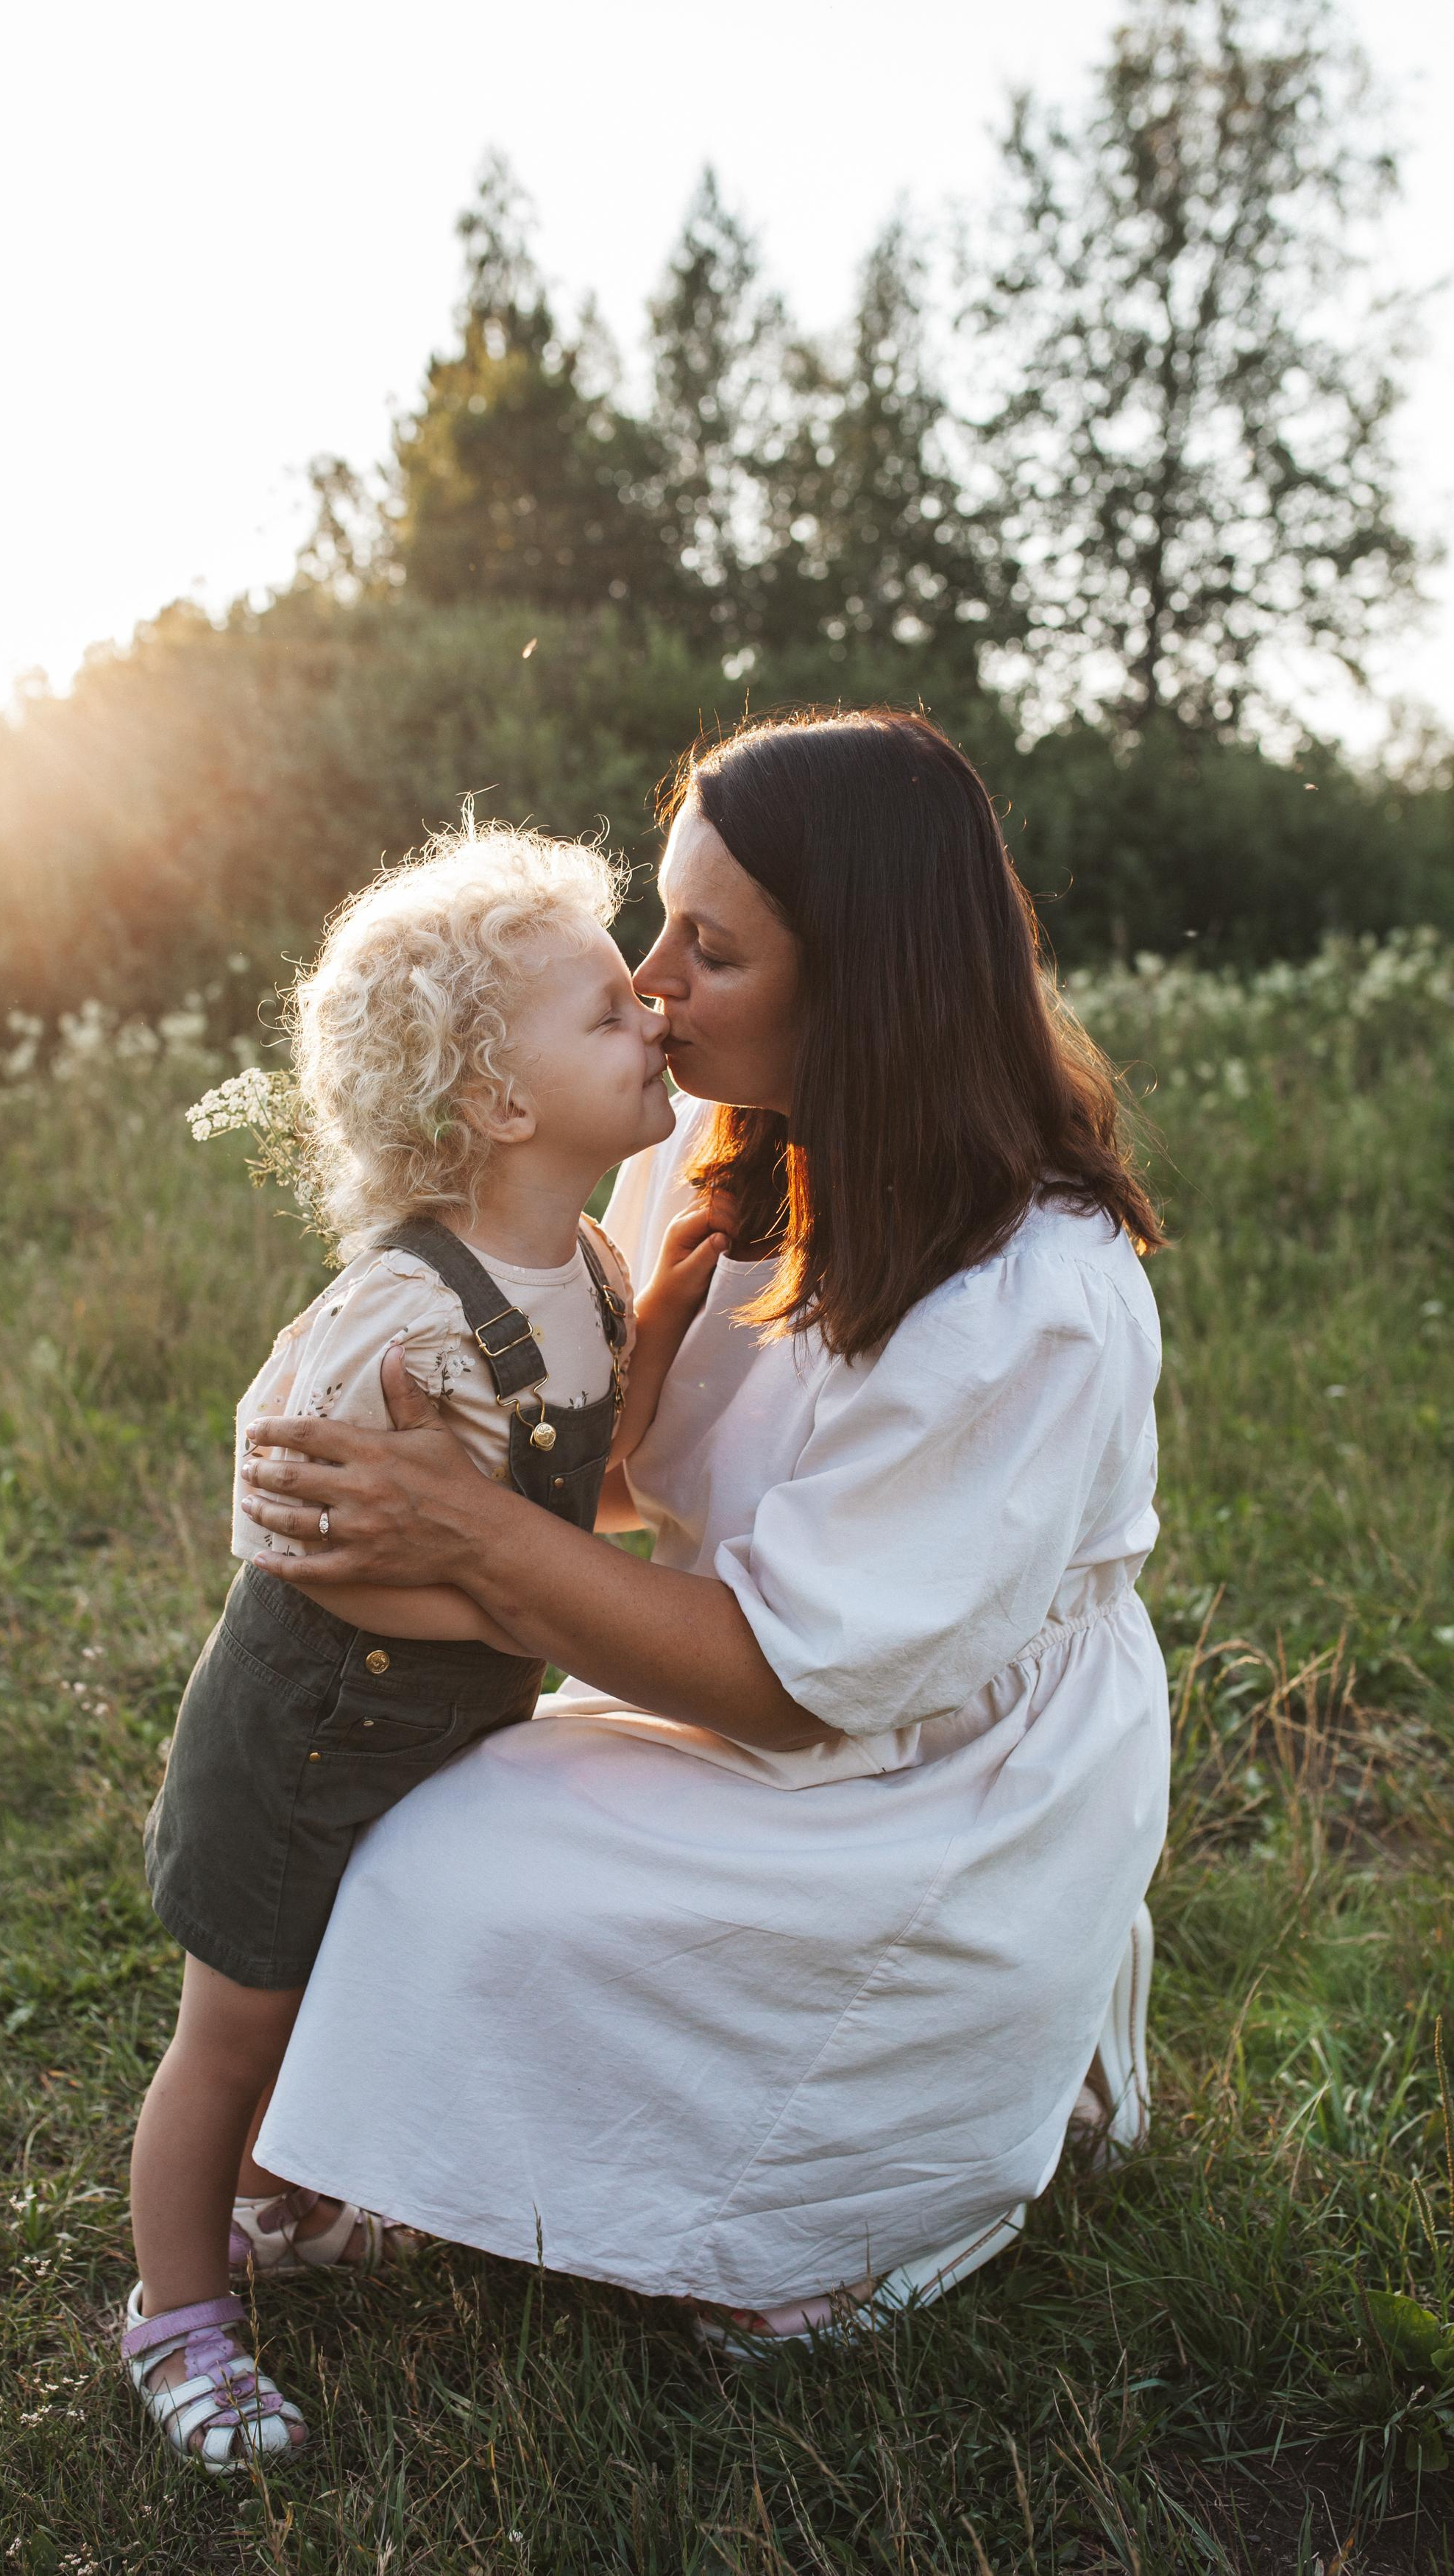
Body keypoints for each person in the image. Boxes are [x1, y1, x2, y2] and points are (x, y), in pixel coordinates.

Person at [238, 709, 1172, 2353]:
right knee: (411, 1867)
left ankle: (930, 2150)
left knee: (511, 1933)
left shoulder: (1041, 1297)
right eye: (661, 918)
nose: (651, 977)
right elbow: (608, 1489)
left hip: (930, 1775)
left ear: (867, 983)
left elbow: (793, 1681)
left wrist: (462, 1534)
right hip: (724, 1682)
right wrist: (422, 1473)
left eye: (712, 948)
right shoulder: (693, 1148)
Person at [124, 825, 723, 2468]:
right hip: (306, 1733)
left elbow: (584, 1476)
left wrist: (665, 1308)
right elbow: (304, 1539)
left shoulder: (587, 1268)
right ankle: (177, 2309)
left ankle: (288, 2201)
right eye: (610, 1011)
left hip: (441, 1734)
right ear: (501, 1105)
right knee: (231, 2033)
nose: (657, 1019)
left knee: (357, 1988)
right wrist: (516, 1602)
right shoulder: (399, 1314)